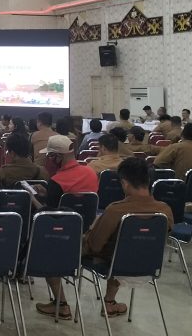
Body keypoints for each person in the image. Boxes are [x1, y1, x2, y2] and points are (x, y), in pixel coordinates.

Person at [35, 157, 172, 320]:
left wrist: (86, 234)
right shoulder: (165, 210)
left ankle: (61, 304)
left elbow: (95, 246)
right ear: (148, 180)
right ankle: (109, 302)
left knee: (53, 243)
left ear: (124, 183)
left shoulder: (116, 211)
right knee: (125, 248)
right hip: (147, 264)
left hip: (113, 264)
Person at [33, 135, 99, 210]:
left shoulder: (56, 181)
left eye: (50, 155)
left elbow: (48, 213)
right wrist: (48, 193)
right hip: (89, 217)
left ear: (58, 156)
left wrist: (32, 198)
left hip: (63, 217)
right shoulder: (91, 172)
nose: (49, 159)